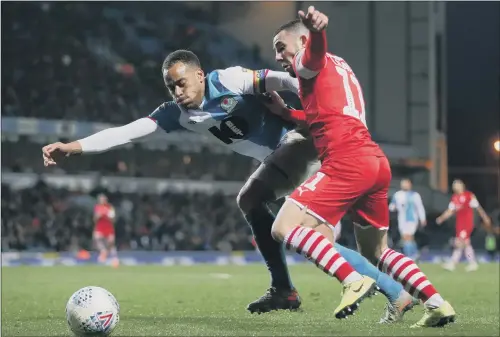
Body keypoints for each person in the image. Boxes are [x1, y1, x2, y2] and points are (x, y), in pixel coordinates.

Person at [42, 49, 415, 322]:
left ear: (201, 75)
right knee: (266, 211)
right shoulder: (177, 114)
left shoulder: (231, 79)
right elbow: (128, 132)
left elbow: (283, 79)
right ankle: (294, 290)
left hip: (302, 144)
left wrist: (315, 102)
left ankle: (379, 290)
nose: (176, 91)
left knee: (285, 221)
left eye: (181, 82)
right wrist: (75, 147)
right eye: (171, 86)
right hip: (287, 156)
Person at [264, 7, 455, 327]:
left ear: (301, 40)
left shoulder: (308, 58)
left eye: (280, 47)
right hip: (374, 162)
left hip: (345, 161)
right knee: (376, 249)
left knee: (282, 227)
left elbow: (311, 57)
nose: (279, 57)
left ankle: (351, 280)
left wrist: (319, 31)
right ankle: (435, 302)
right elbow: (323, 116)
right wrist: (289, 115)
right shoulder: (341, 67)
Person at [436, 179, 491, 272]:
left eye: (457, 185)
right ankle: (472, 263)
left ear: (462, 186)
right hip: (459, 224)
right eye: (454, 185)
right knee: (465, 243)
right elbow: (450, 211)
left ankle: (453, 263)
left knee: (460, 242)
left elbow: (478, 208)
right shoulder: (454, 198)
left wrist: (485, 217)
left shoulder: (469, 195)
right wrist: (441, 218)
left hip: (467, 223)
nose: (455, 187)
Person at [389, 178, 427, 260]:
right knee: (405, 238)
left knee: (407, 237)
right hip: (402, 220)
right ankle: (415, 253)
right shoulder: (397, 195)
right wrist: (394, 207)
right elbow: (392, 207)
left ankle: (410, 256)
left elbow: (420, 207)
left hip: (412, 219)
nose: (405, 185)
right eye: (403, 183)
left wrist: (422, 218)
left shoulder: (415, 195)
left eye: (406, 183)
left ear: (410, 185)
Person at [93, 194, 119, 268]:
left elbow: (113, 219)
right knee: (97, 238)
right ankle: (103, 251)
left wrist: (109, 216)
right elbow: (95, 219)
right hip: (100, 228)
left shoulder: (110, 208)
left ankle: (114, 259)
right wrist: (98, 215)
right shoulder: (97, 207)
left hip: (109, 228)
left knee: (111, 243)